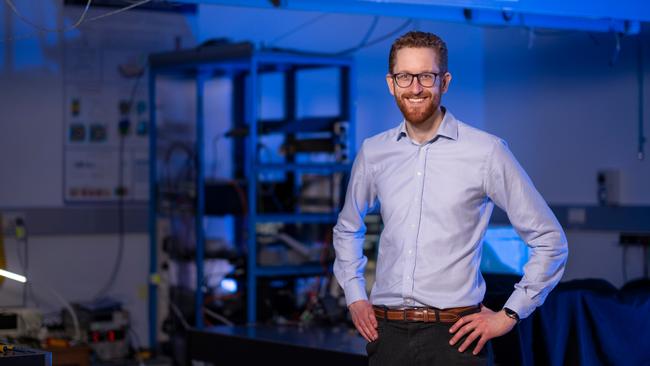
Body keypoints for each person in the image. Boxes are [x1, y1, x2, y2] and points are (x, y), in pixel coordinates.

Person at [332, 30, 569, 365]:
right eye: (404, 77)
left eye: (426, 76)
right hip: (387, 338)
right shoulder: (374, 152)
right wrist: (355, 296)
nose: (414, 88)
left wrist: (509, 314)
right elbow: (347, 229)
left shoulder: (486, 152)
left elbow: (550, 240)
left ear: (445, 81)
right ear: (391, 83)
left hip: (455, 340)